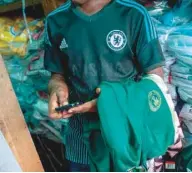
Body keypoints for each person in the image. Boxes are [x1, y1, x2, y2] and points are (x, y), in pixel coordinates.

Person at [44, 0, 164, 171]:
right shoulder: (56, 20)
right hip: (82, 136)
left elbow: (155, 81)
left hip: (129, 132)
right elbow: (57, 74)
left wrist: (109, 105)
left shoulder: (133, 14)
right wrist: (57, 87)